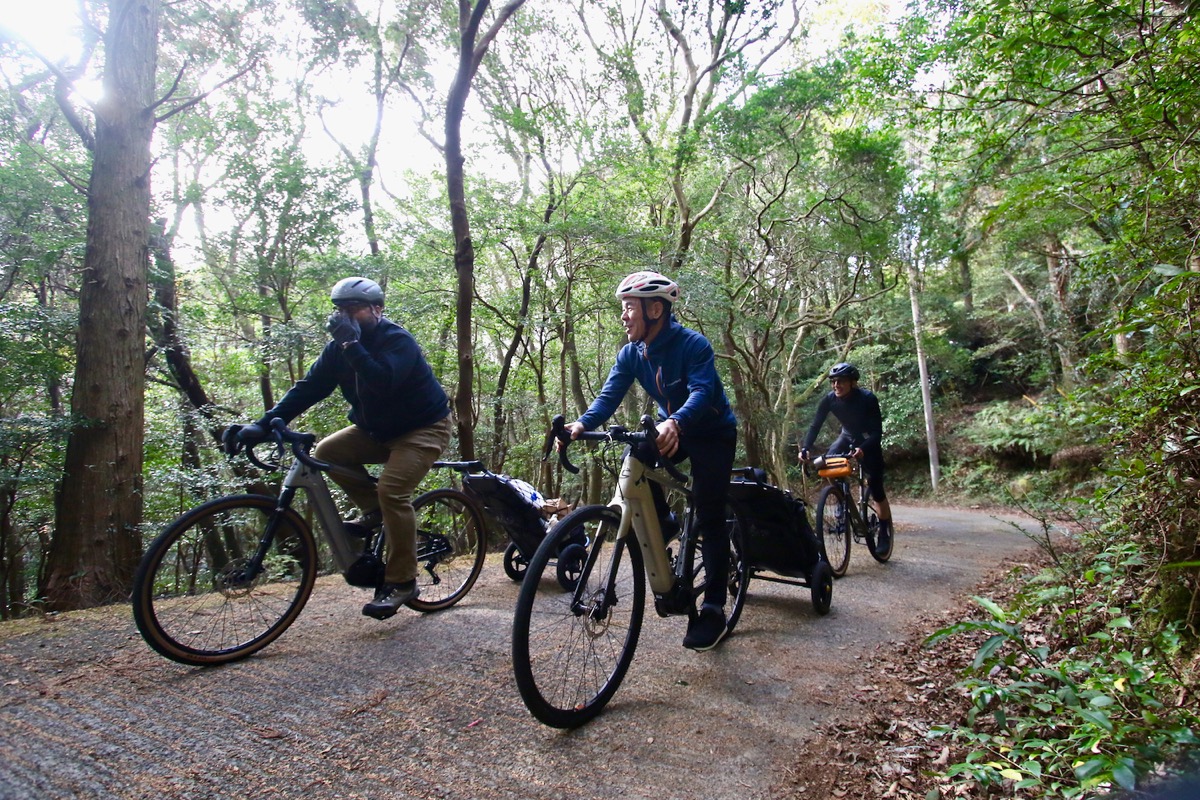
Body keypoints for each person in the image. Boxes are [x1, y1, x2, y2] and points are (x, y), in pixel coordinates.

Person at [225, 276, 452, 620]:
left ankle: (402, 581)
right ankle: (373, 511)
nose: (345, 317)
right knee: (327, 452)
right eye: (340, 310)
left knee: (393, 491)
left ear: (377, 310)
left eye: (354, 309)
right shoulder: (339, 349)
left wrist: (351, 346)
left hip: (421, 429)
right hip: (374, 429)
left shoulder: (397, 341)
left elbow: (382, 383)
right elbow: (311, 387)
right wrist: (265, 422)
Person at [560, 270, 738, 651]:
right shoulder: (630, 353)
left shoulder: (693, 345)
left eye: (629, 308)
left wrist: (676, 421)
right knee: (637, 450)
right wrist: (582, 423)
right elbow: (608, 397)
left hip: (711, 432)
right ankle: (665, 521)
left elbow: (703, 391)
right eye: (623, 309)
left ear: (655, 309)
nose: (623, 316)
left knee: (709, 513)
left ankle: (713, 609)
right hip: (673, 426)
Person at [799, 362, 892, 554]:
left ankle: (884, 531)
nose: (836, 385)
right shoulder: (829, 400)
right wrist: (806, 447)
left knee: (876, 487)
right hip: (847, 435)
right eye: (833, 382)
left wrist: (863, 449)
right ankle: (842, 499)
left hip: (867, 439)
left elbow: (877, 433)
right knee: (829, 464)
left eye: (840, 381)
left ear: (852, 382)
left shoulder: (867, 399)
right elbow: (815, 426)